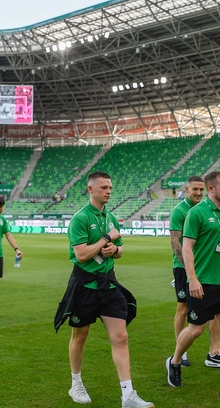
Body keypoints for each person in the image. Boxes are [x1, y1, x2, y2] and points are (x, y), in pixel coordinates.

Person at [53, 171, 153, 408]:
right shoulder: (80, 218)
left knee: (121, 336)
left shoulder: (111, 217)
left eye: (110, 187)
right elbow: (81, 254)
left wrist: (113, 251)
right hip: (84, 285)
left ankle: (128, 396)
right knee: (80, 335)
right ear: (90, 189)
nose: (108, 191)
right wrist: (105, 240)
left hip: (108, 283)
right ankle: (75, 383)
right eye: (104, 187)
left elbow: (119, 250)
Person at [166, 170, 220, 404]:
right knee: (195, 329)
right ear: (212, 189)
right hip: (202, 282)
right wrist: (192, 279)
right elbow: (186, 249)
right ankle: (175, 360)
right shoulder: (196, 214)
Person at [168, 176, 220, 368]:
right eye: (195, 190)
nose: (199, 193)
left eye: (202, 190)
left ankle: (214, 352)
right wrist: (189, 270)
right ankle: (180, 352)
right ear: (186, 189)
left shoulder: (208, 209)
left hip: (206, 267)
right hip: (184, 268)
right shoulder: (179, 211)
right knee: (183, 308)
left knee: (214, 310)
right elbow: (176, 243)